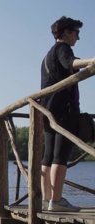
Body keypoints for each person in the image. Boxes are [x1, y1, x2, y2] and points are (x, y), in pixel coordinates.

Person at [40, 16, 95, 212]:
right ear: (66, 32)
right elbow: (70, 63)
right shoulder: (63, 49)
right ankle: (57, 201)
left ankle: (46, 200)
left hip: (47, 110)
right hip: (63, 110)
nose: (78, 38)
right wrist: (93, 61)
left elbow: (68, 64)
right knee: (60, 156)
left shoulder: (48, 55)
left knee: (48, 156)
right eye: (76, 33)